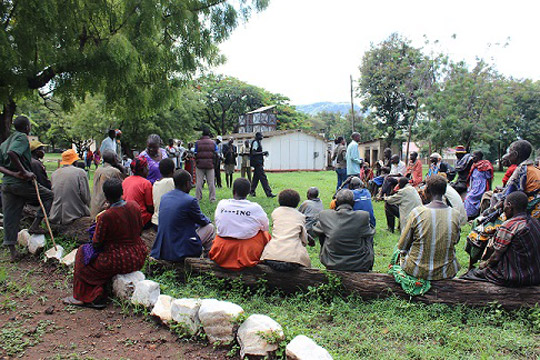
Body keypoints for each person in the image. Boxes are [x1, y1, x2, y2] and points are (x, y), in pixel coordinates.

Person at [62, 178, 148, 309]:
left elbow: (97, 243)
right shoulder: (134, 206)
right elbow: (139, 230)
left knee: (82, 253)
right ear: (122, 192)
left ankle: (82, 296)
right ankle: (98, 291)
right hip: (138, 255)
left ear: (106, 197)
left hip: (118, 260)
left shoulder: (106, 216)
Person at [0, 116, 54, 261]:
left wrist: (13, 173)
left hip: (7, 183)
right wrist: (23, 173)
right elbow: (13, 153)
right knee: (48, 196)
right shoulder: (23, 138)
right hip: (20, 184)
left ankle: (13, 252)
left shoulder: (5, 142)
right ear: (27, 127)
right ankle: (35, 225)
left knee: (9, 216)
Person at [461, 191, 540, 286]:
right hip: (535, 275)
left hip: (514, 276)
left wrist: (483, 265)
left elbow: (495, 258)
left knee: (470, 275)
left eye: (504, 205)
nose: (503, 209)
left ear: (509, 206)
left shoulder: (508, 226)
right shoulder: (535, 222)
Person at [396, 175, 461, 280]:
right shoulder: (455, 214)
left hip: (416, 269)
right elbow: (456, 240)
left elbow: (402, 245)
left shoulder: (417, 212)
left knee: (398, 254)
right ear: (444, 192)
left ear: (427, 191)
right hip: (446, 271)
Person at [151, 169, 215, 261]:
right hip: (180, 248)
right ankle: (208, 259)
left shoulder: (164, 197)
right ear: (187, 183)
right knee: (210, 227)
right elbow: (202, 220)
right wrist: (207, 220)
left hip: (163, 247)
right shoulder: (190, 200)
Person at [209, 178, 270, 270]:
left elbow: (218, 223)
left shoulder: (222, 204)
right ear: (249, 192)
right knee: (265, 235)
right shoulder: (255, 208)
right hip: (246, 254)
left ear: (233, 191)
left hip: (221, 252)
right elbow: (265, 227)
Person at [313, 189, 375, 272]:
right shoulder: (363, 216)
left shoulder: (325, 215)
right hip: (359, 263)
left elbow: (316, 230)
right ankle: (368, 266)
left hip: (332, 262)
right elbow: (371, 231)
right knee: (368, 236)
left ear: (336, 203)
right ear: (353, 203)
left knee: (323, 232)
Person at [261, 189, 311, 271]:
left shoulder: (275, 212)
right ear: (297, 203)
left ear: (280, 201)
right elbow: (304, 240)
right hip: (293, 260)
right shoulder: (300, 216)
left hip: (271, 256)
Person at [49, 149, 91, 224]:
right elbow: (86, 197)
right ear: (75, 161)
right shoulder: (80, 173)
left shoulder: (54, 173)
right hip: (74, 214)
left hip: (55, 214)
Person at [90, 150, 125, 218]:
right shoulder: (114, 171)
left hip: (94, 206)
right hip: (104, 208)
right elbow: (122, 187)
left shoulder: (98, 170)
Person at [122, 157, 153, 229]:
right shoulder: (146, 183)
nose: (148, 169)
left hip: (126, 217)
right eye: (147, 167)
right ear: (142, 170)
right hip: (140, 219)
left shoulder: (126, 180)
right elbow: (150, 207)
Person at [464, 151, 494, 219]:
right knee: (467, 197)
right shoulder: (474, 165)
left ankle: (471, 215)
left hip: (481, 187)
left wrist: (489, 189)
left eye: (474, 156)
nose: (472, 158)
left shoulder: (485, 165)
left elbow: (489, 178)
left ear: (479, 157)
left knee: (470, 197)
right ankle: (469, 215)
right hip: (474, 186)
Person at [249, 132, 275, 198]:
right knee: (263, 178)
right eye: (261, 136)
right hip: (257, 163)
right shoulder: (255, 142)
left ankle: (251, 191)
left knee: (256, 178)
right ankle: (268, 193)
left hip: (258, 163)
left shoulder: (258, 142)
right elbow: (253, 152)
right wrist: (263, 153)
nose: (262, 137)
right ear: (257, 136)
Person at [194, 128, 217, 202]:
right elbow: (216, 152)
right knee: (211, 183)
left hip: (200, 165)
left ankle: (198, 197)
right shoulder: (213, 143)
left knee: (199, 182)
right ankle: (212, 198)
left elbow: (195, 152)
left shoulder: (197, 143)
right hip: (210, 165)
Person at [151, 158, 175, 227]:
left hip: (155, 221)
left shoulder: (155, 184)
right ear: (173, 170)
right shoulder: (171, 181)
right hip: (168, 222)